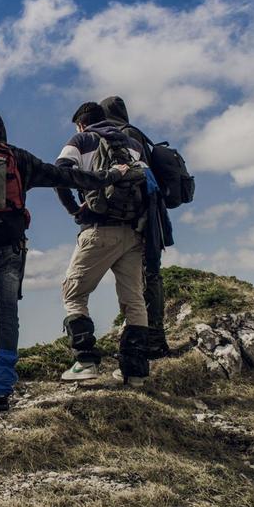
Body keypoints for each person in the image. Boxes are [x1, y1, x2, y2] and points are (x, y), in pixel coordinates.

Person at [0, 109, 127, 412]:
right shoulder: (18, 157)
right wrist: (111, 176)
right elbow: (65, 175)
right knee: (8, 319)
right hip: (12, 251)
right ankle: (0, 393)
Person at [55, 102, 153, 386]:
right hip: (134, 232)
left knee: (73, 293)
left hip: (99, 229)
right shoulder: (132, 144)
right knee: (133, 299)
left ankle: (85, 361)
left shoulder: (81, 140)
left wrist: (75, 209)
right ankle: (134, 372)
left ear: (81, 124)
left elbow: (60, 173)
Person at [99, 96, 174, 359]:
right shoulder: (137, 134)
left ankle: (149, 340)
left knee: (143, 276)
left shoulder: (120, 136)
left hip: (139, 218)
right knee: (149, 274)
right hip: (153, 214)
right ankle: (154, 338)